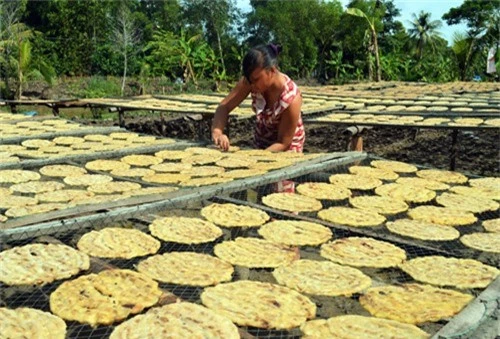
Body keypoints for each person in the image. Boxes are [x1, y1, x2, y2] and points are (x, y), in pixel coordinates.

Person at [211, 44, 305, 155]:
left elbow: (283, 143)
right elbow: (224, 107)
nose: (252, 85)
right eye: (250, 80)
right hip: (260, 145)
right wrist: (217, 132)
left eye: (256, 79)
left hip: (286, 151)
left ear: (271, 71)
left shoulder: (291, 98)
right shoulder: (251, 81)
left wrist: (255, 157)